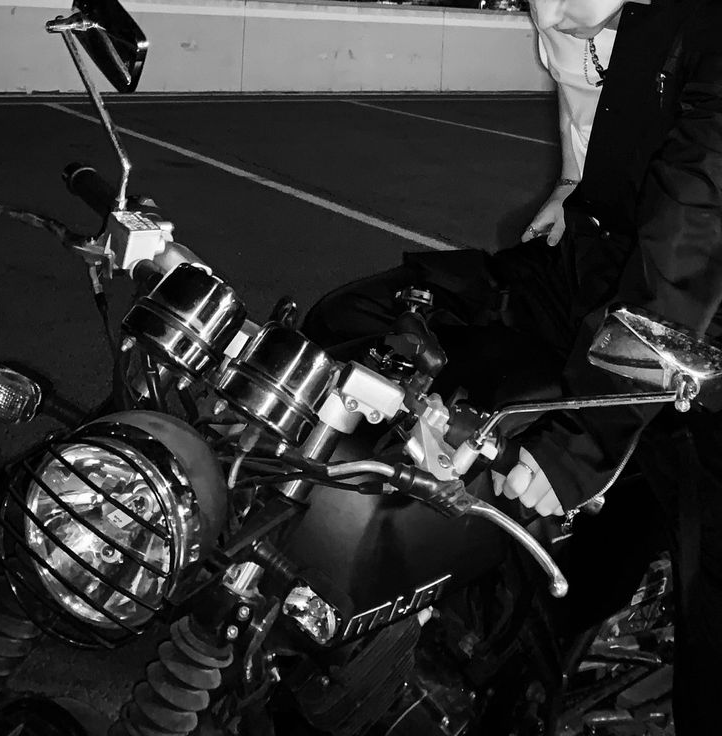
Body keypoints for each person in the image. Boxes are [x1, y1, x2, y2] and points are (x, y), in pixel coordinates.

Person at [302, 0, 722, 731]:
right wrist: (574, 187)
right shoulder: (632, 17)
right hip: (602, 263)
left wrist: (579, 449)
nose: (548, 13)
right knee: (372, 320)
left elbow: (690, 240)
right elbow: (591, 111)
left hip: (701, 325)